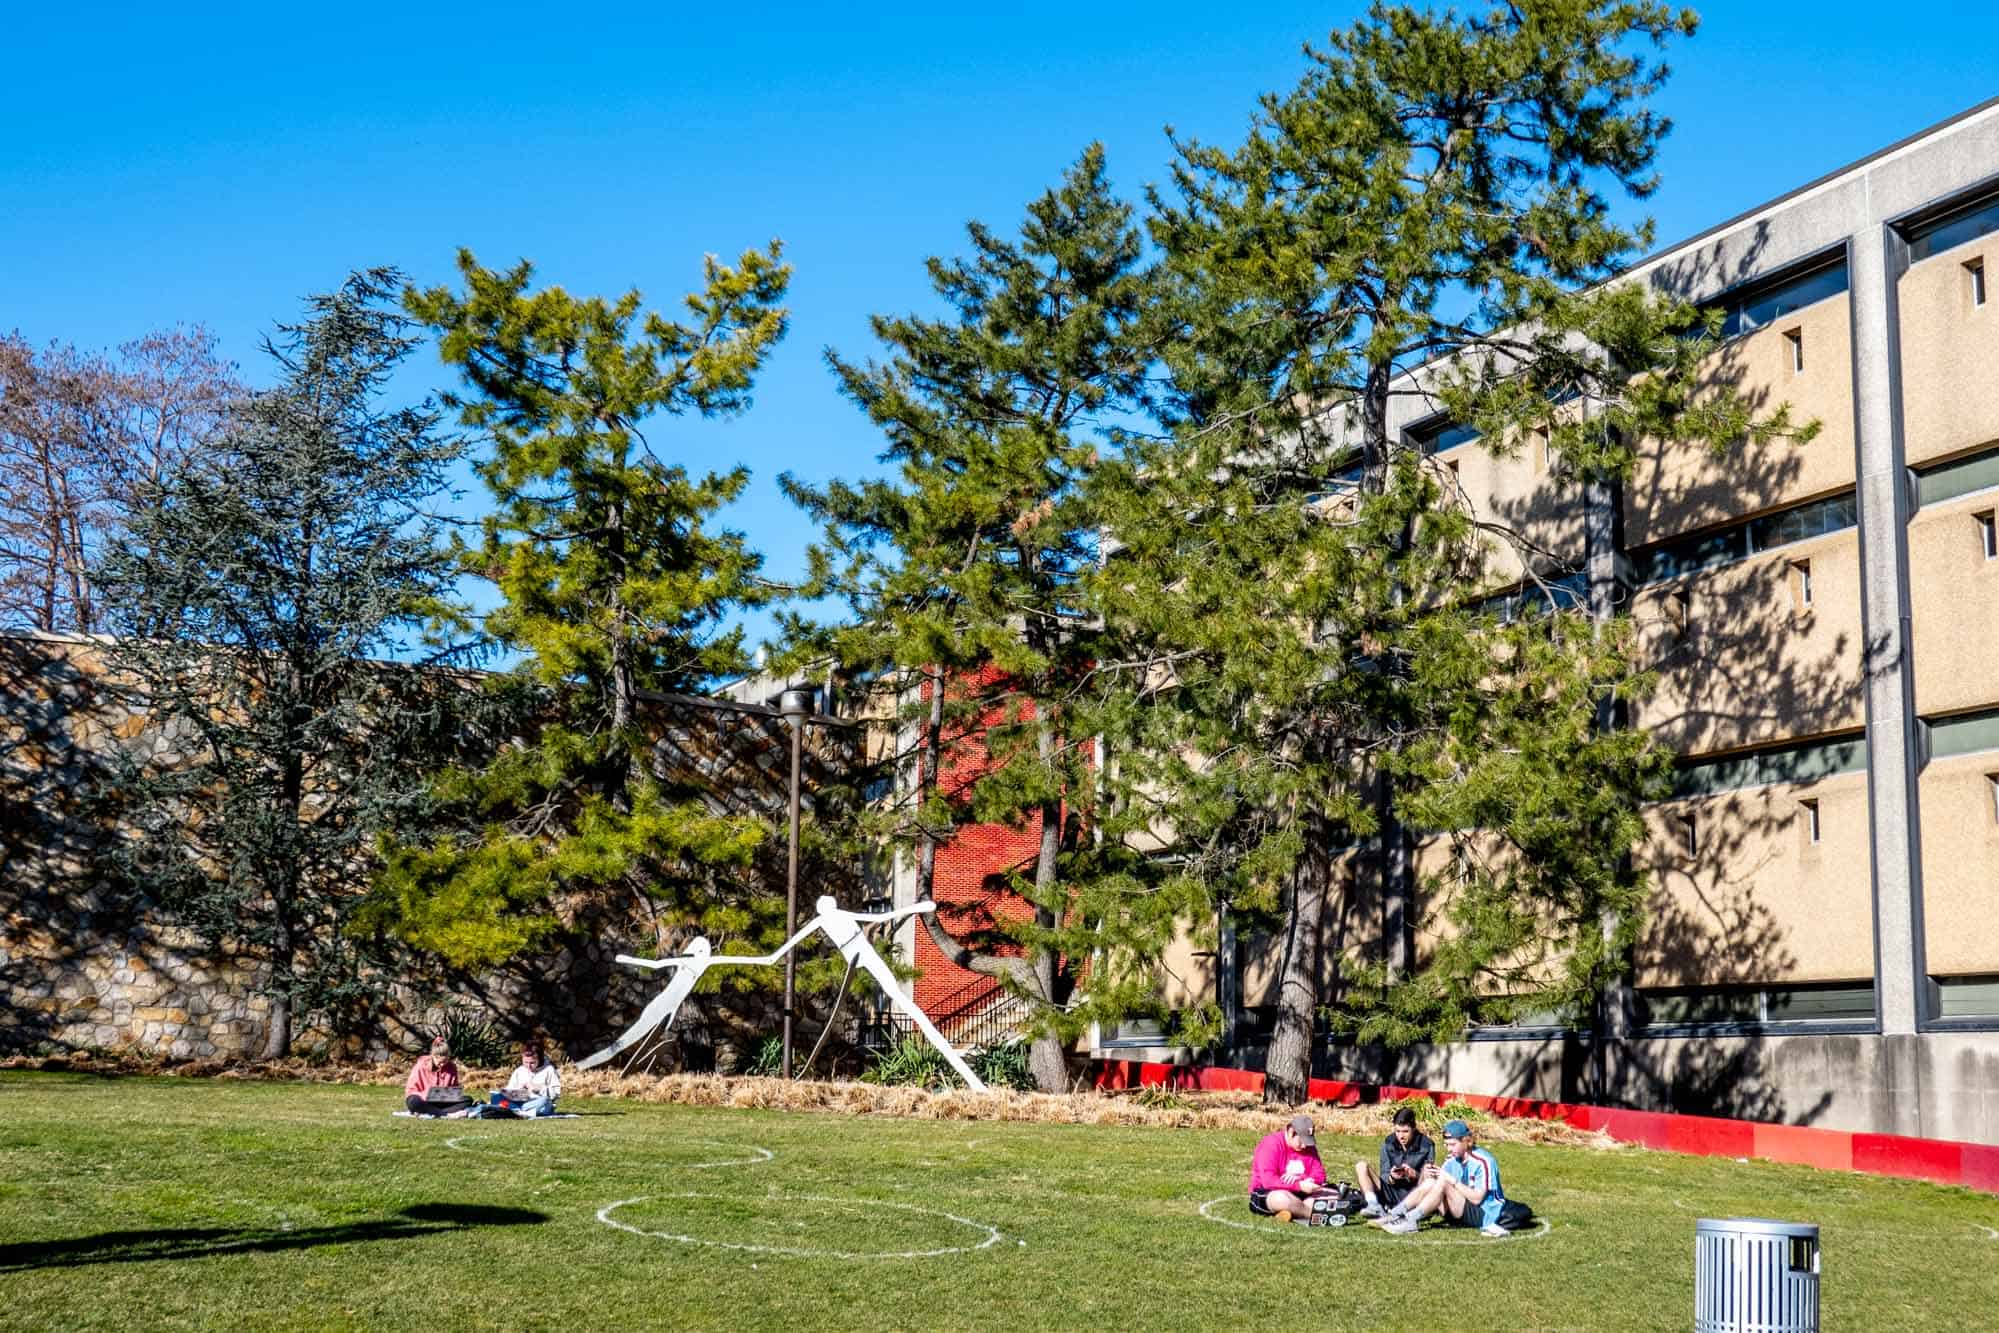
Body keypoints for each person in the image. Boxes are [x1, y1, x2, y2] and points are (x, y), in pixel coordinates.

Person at [1375, 1117, 1509, 1237]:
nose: (1449, 1149)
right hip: (1458, 1209)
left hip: (1486, 1214)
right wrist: (1426, 1175)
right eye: (1446, 1145)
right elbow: (1434, 1188)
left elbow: (1477, 1199)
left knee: (1444, 1182)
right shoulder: (1452, 1159)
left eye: (1452, 1144)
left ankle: (1410, 1219)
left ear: (1466, 1141)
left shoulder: (1483, 1161)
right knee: (1432, 1182)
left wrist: (1450, 1180)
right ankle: (1394, 1214)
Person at [1247, 1113, 1335, 1225]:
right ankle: (1314, 1214)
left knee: (1332, 1193)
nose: (1304, 1146)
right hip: (1272, 1191)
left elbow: (1320, 1174)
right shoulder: (1271, 1144)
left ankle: (1293, 1211)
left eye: (1307, 1142)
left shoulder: (1309, 1147)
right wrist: (1299, 1185)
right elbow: (1268, 1181)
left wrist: (1304, 1179)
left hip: (1302, 1192)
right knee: (1282, 1199)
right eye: (1302, 1141)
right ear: (1291, 1132)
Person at [1353, 1106, 1432, 1219]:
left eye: (1405, 1131)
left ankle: (1413, 1210)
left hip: (1414, 1193)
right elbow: (1384, 1174)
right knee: (1361, 1166)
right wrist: (1391, 1177)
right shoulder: (1388, 1142)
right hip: (1391, 1191)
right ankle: (1373, 1205)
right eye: (1397, 1131)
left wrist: (1414, 1174)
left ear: (1414, 1129)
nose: (1401, 1136)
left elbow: (1429, 1179)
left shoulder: (1427, 1145)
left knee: (1428, 1172)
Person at [403, 1036, 467, 1116]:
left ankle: (434, 1111)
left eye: (445, 1061)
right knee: (413, 1102)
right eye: (440, 1062)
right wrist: (425, 1094)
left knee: (467, 1100)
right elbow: (411, 1090)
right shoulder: (420, 1066)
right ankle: (445, 1113)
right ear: (433, 1056)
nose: (443, 1064)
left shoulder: (452, 1067)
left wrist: (453, 1093)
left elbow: (454, 1089)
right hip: (422, 1099)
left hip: (441, 1100)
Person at [495, 1040, 562, 1117]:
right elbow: (509, 1089)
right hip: (521, 1102)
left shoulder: (549, 1070)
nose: (528, 1066)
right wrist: (517, 1089)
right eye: (525, 1062)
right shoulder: (519, 1071)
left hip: (539, 1103)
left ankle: (516, 1111)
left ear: (539, 1059)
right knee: (498, 1097)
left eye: (532, 1063)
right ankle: (520, 1111)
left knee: (545, 1101)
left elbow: (556, 1093)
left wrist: (539, 1088)